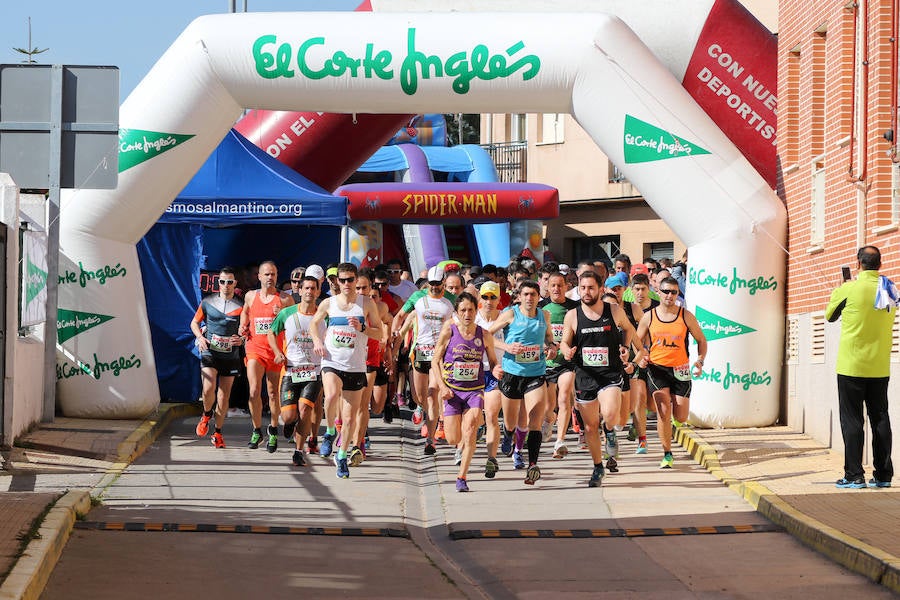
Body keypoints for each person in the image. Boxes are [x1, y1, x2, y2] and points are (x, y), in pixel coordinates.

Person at [560, 271, 637, 487]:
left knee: (610, 414)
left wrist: (625, 347)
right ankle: (597, 467)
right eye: (583, 288)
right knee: (591, 427)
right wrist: (566, 351)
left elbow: (629, 329)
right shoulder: (573, 316)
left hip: (610, 374)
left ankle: (610, 430)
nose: (586, 292)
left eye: (591, 288)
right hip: (585, 376)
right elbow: (565, 342)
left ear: (600, 289)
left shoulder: (613, 310)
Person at [825, 246, 894, 488]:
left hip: (851, 366)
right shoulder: (889, 288)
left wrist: (841, 288)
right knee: (880, 418)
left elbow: (830, 315)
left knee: (852, 420)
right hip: (879, 366)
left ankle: (854, 475)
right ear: (880, 264)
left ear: (858, 264)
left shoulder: (849, 288)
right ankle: (884, 475)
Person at [310, 262, 383, 479]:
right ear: (337, 282)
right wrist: (317, 341)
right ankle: (330, 431)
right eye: (342, 280)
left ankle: (341, 456)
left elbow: (379, 334)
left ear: (356, 279)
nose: (347, 284)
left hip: (356, 364)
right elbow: (314, 324)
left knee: (350, 418)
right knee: (331, 395)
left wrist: (363, 328)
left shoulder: (367, 304)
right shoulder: (329, 303)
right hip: (332, 360)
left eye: (351, 280)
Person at [488, 280, 559, 485]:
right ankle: (508, 435)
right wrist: (506, 347)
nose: (529, 298)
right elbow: (487, 335)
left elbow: (548, 338)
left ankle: (533, 465)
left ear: (538, 296)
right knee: (511, 422)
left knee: (533, 421)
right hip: (512, 374)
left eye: (533, 295)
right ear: (519, 296)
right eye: (526, 294)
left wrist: (551, 347)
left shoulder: (544, 315)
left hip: (536, 373)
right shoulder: (510, 314)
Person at [634, 276, 707, 469]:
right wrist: (641, 356)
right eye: (666, 291)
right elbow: (636, 341)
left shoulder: (685, 315)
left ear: (677, 294)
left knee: (681, 416)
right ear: (658, 292)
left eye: (674, 292)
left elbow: (701, 339)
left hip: (681, 369)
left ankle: (671, 430)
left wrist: (700, 360)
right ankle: (667, 453)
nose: (669, 295)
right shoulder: (649, 316)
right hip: (657, 368)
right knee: (663, 412)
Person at [433, 292, 500, 491]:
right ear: (456, 312)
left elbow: (493, 361)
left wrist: (497, 369)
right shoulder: (449, 330)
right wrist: (443, 386)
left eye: (471, 309)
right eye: (463, 310)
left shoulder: (484, 334)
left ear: (476, 310)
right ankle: (447, 425)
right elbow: (435, 361)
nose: (467, 313)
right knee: (453, 438)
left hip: (474, 390)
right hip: (452, 392)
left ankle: (462, 477)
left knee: (470, 430)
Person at [267, 275, 325, 467]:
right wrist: (277, 352)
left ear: (318, 291)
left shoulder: (324, 316)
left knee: (305, 409)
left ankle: (299, 452)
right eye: (305, 288)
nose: (309, 292)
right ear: (299, 291)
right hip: (291, 371)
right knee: (289, 416)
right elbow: (271, 333)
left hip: (314, 372)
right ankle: (290, 424)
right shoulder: (287, 314)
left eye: (312, 288)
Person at [238, 261, 294, 452]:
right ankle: (256, 429)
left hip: (276, 352)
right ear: (259, 277)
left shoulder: (285, 299)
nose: (270, 278)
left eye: (274, 274)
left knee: (272, 393)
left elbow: (294, 325)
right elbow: (245, 313)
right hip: (255, 348)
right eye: (267, 274)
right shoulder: (250, 296)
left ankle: (272, 429)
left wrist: (283, 316)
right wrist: (242, 326)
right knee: (254, 391)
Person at [192, 267, 245, 449]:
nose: (226, 285)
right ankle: (206, 415)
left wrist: (242, 339)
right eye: (222, 281)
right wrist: (200, 337)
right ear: (218, 283)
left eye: (230, 282)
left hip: (230, 355)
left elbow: (248, 329)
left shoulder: (242, 304)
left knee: (223, 397)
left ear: (235, 284)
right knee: (208, 389)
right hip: (210, 351)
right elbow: (194, 322)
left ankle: (218, 432)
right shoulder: (208, 301)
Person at [405, 266, 455, 455]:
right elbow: (402, 315)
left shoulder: (451, 300)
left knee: (433, 393)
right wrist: (396, 332)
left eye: (437, 284)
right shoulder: (418, 298)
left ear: (443, 282)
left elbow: (461, 320)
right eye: (431, 284)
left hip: (439, 354)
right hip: (420, 352)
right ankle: (428, 416)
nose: (434, 287)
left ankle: (431, 439)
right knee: (421, 396)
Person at [538, 271, 579, 459]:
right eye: (552, 285)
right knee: (548, 406)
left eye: (560, 285)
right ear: (547, 287)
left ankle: (560, 441)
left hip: (567, 362)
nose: (556, 288)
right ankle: (549, 419)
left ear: (566, 287)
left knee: (564, 398)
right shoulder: (541, 308)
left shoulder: (574, 308)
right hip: (546, 362)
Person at [474, 280, 507, 478]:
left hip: (495, 372)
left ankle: (491, 459)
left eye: (492, 297)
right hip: (473, 373)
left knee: (492, 416)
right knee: (475, 417)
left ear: (498, 300)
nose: (488, 301)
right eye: (485, 297)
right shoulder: (472, 318)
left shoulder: (505, 320)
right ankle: (467, 442)